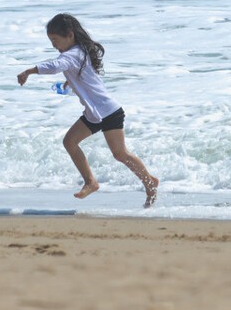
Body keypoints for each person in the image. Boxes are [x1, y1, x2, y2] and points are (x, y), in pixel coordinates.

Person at [17, 13, 158, 207]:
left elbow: (56, 65)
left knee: (120, 154)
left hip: (108, 112)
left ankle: (150, 182)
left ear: (70, 35)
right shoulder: (79, 52)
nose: (54, 45)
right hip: (95, 114)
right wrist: (70, 80)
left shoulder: (73, 54)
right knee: (70, 142)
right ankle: (91, 182)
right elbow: (80, 73)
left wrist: (29, 71)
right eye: (51, 41)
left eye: (56, 40)